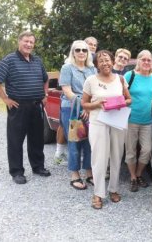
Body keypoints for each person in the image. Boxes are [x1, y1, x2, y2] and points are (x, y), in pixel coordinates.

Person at [0, 31, 51, 184]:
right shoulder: (10, 60)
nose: (29, 44)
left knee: (37, 139)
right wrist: (4, 98)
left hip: (36, 105)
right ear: (19, 42)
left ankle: (38, 167)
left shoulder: (37, 61)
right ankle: (17, 172)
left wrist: (46, 95)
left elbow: (46, 78)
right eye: (26, 41)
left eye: (31, 42)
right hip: (18, 106)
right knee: (16, 140)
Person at [82, 50, 132, 209]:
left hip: (117, 120)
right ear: (96, 64)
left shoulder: (120, 79)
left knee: (117, 156)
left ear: (112, 61)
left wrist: (121, 103)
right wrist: (97, 104)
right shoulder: (91, 80)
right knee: (99, 158)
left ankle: (114, 189)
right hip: (98, 121)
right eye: (101, 61)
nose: (105, 63)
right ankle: (98, 193)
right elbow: (84, 104)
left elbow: (129, 98)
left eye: (107, 60)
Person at [59, 40, 96, 190]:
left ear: (88, 53)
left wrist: (89, 108)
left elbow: (95, 90)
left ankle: (89, 172)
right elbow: (67, 91)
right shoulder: (67, 68)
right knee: (75, 142)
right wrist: (83, 107)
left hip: (89, 109)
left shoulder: (92, 69)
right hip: (72, 109)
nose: (81, 52)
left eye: (84, 50)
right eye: (78, 50)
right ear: (73, 52)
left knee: (89, 142)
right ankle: (74, 175)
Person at [124, 50, 152, 192]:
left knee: (147, 150)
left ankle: (139, 174)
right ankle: (133, 177)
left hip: (148, 120)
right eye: (143, 59)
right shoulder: (130, 75)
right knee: (131, 151)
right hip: (130, 119)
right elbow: (121, 95)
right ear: (138, 61)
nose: (146, 62)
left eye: (149, 60)